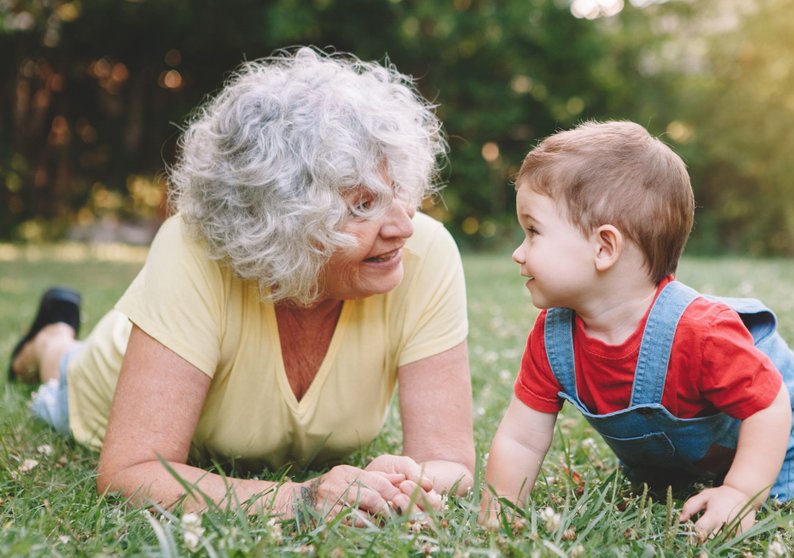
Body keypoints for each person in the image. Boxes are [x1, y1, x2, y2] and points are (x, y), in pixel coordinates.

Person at [8, 47, 475, 522]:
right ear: (281, 221)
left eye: (395, 191)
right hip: (97, 379)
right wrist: (302, 499)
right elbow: (131, 471)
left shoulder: (424, 255)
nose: (403, 226)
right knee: (64, 367)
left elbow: (450, 461)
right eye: (361, 206)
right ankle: (50, 340)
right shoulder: (192, 249)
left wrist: (405, 484)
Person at [478, 121, 794, 541]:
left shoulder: (701, 333)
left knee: (759, 509)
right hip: (668, 458)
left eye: (533, 232)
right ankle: (670, 473)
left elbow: (768, 405)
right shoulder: (553, 339)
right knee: (657, 492)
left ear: (604, 248)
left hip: (763, 435)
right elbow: (521, 438)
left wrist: (741, 491)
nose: (518, 252)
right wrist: (499, 513)